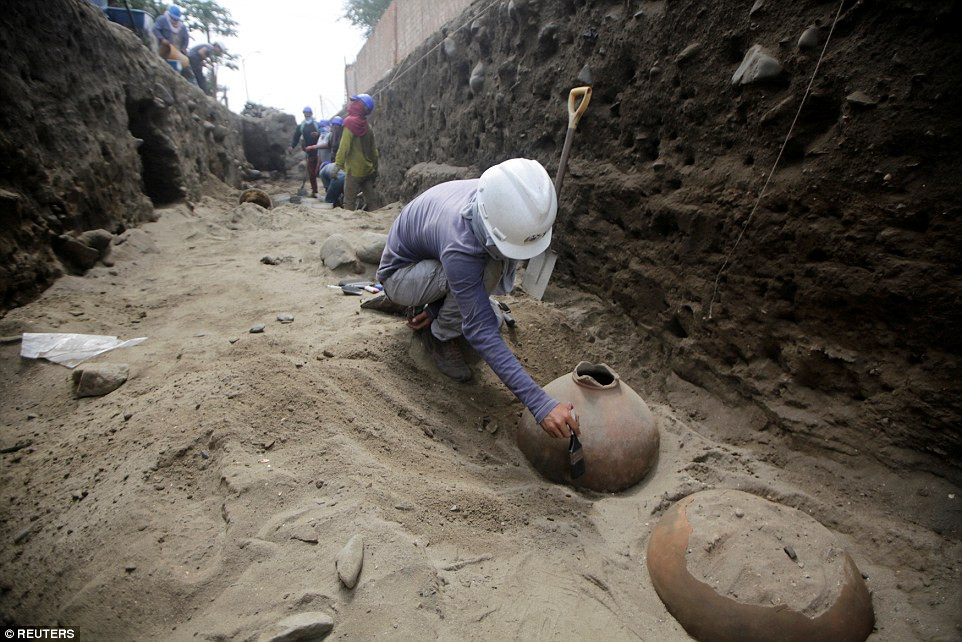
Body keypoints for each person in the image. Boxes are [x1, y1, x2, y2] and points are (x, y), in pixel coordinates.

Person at [376, 158, 580, 440]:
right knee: (487, 272)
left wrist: (436, 308)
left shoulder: (499, 197)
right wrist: (540, 403)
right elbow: (480, 328)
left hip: (431, 261)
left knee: (481, 275)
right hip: (400, 277)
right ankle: (440, 338)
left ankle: (438, 313)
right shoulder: (461, 241)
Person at [335, 94, 379, 211]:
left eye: (355, 102)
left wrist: (337, 166)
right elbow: (374, 152)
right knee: (372, 202)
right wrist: (375, 169)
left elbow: (344, 147)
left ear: (361, 106)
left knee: (349, 202)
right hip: (368, 170)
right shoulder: (368, 127)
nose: (352, 104)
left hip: (354, 172)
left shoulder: (349, 123)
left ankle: (349, 228)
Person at [289, 107, 321, 197]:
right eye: (305, 113)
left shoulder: (316, 124)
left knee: (320, 170)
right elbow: (296, 137)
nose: (306, 114)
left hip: (319, 151)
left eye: (308, 113)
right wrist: (292, 146)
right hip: (309, 152)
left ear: (311, 113)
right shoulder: (301, 126)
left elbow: (324, 134)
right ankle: (315, 191)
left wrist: (318, 134)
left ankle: (327, 189)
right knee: (311, 173)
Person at [153, 4, 189, 70]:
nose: (174, 21)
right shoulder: (162, 20)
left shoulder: (182, 27)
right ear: (169, 15)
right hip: (163, 49)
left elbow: (186, 38)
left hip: (176, 51)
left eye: (176, 19)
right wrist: (162, 39)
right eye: (173, 19)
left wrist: (184, 47)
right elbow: (155, 29)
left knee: (181, 65)